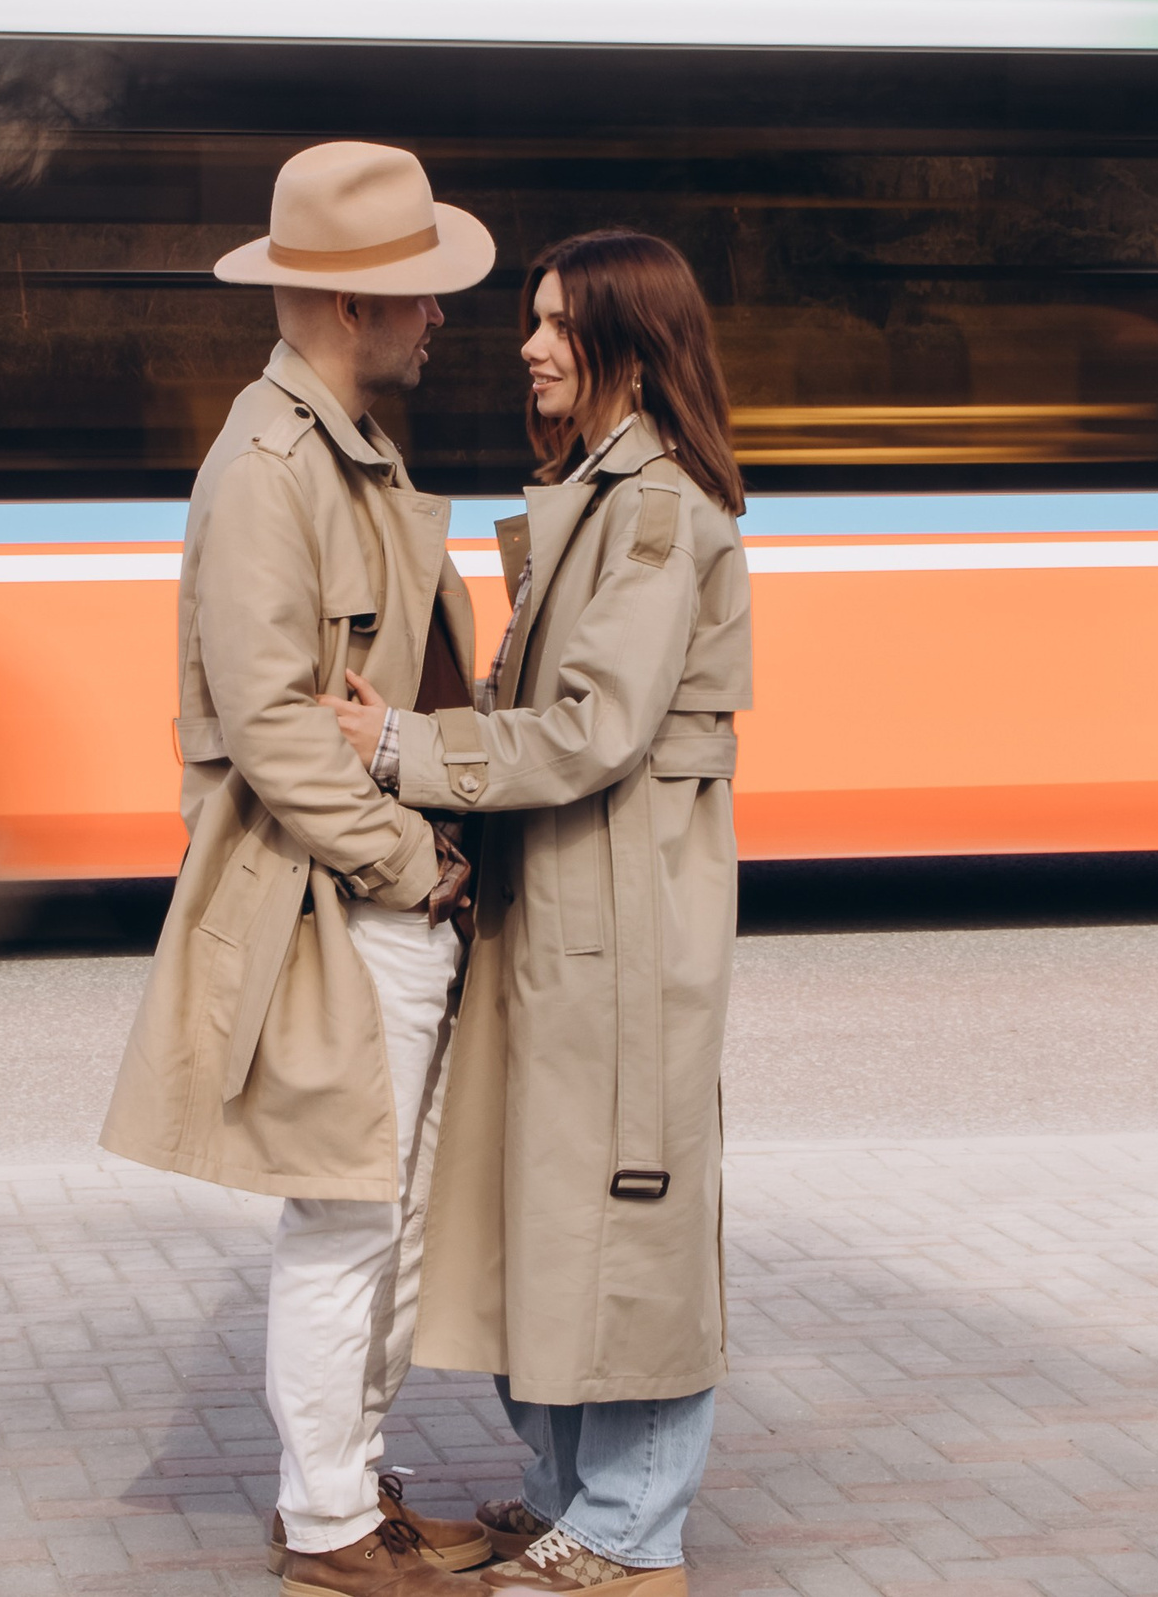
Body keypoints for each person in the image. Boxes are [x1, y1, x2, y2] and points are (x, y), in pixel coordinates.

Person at [322, 231, 752, 1596]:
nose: (528, 344)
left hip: (619, 928)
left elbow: (589, 730)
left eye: (558, 323)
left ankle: (632, 1532)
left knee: (628, 1212)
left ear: (632, 343)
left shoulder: (661, 511)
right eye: (531, 319)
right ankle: (577, 1501)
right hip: (567, 917)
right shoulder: (599, 496)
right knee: (554, 1211)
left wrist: (402, 748)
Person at [99, 141, 497, 1597]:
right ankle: (329, 1524)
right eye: (419, 294)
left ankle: (350, 1485)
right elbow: (271, 718)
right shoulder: (272, 463)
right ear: (348, 304)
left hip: (371, 895)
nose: (440, 316)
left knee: (371, 1214)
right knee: (344, 1218)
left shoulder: (337, 440)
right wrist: (411, 859)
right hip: (340, 903)